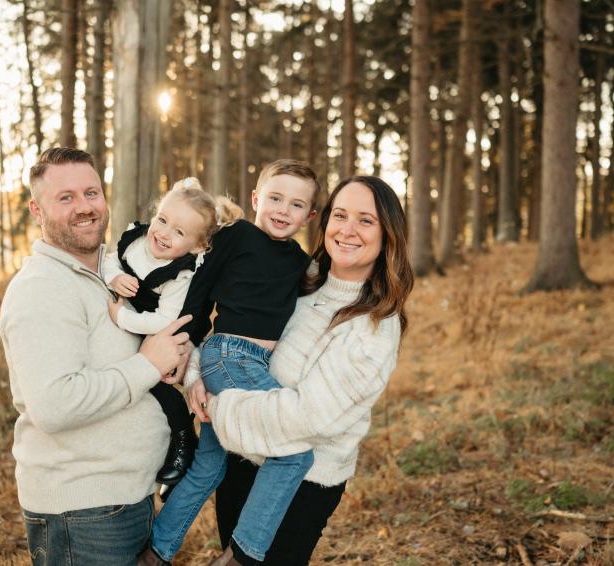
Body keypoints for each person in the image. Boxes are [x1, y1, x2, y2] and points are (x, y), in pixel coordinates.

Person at [190, 175, 415, 565]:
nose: (348, 230)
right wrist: (196, 373)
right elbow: (233, 331)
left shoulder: (376, 327)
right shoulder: (301, 280)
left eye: (366, 220)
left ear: (387, 235)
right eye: (340, 215)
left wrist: (219, 406)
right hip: (243, 458)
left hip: (300, 483)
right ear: (323, 222)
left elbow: (310, 417)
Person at [0, 147, 193, 566]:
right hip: (82, 514)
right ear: (37, 210)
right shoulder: (42, 287)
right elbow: (55, 404)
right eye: (65, 197)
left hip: (123, 500)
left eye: (91, 193)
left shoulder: (110, 273)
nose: (84, 207)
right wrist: (147, 365)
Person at [138, 159, 321, 566]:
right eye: (274, 198)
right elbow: (198, 295)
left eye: (295, 205)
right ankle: (242, 556)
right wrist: (192, 365)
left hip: (252, 365)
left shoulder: (299, 260)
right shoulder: (236, 236)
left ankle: (155, 552)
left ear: (309, 216)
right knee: (295, 453)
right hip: (228, 357)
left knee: (209, 467)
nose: (281, 210)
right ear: (256, 198)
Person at [102, 177, 219, 487]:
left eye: (178, 232)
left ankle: (183, 440)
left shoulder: (179, 274)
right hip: (128, 322)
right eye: (163, 220)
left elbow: (165, 320)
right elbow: (109, 260)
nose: (164, 234)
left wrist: (123, 318)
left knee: (156, 382)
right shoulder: (136, 238)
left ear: (196, 246)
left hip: (154, 330)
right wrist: (114, 277)